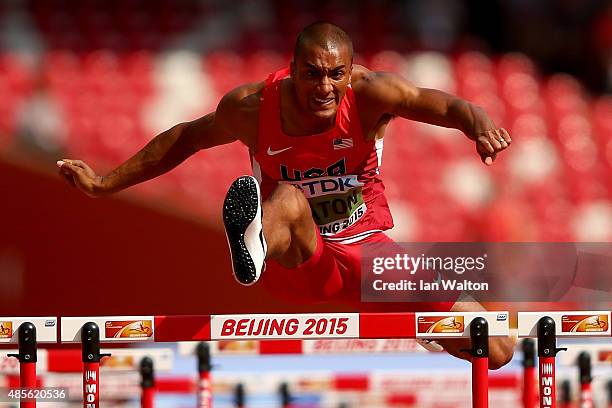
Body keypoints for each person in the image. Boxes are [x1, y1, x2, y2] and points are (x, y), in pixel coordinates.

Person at [57, 22, 514, 368]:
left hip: (368, 252)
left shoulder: (374, 93)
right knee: (290, 198)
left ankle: (422, 328)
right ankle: (255, 246)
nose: (324, 88)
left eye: (336, 75)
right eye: (312, 74)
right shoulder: (252, 108)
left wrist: (480, 127)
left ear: (351, 72)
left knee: (496, 347)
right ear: (291, 69)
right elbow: (183, 138)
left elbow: (448, 105)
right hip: (299, 254)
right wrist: (104, 184)